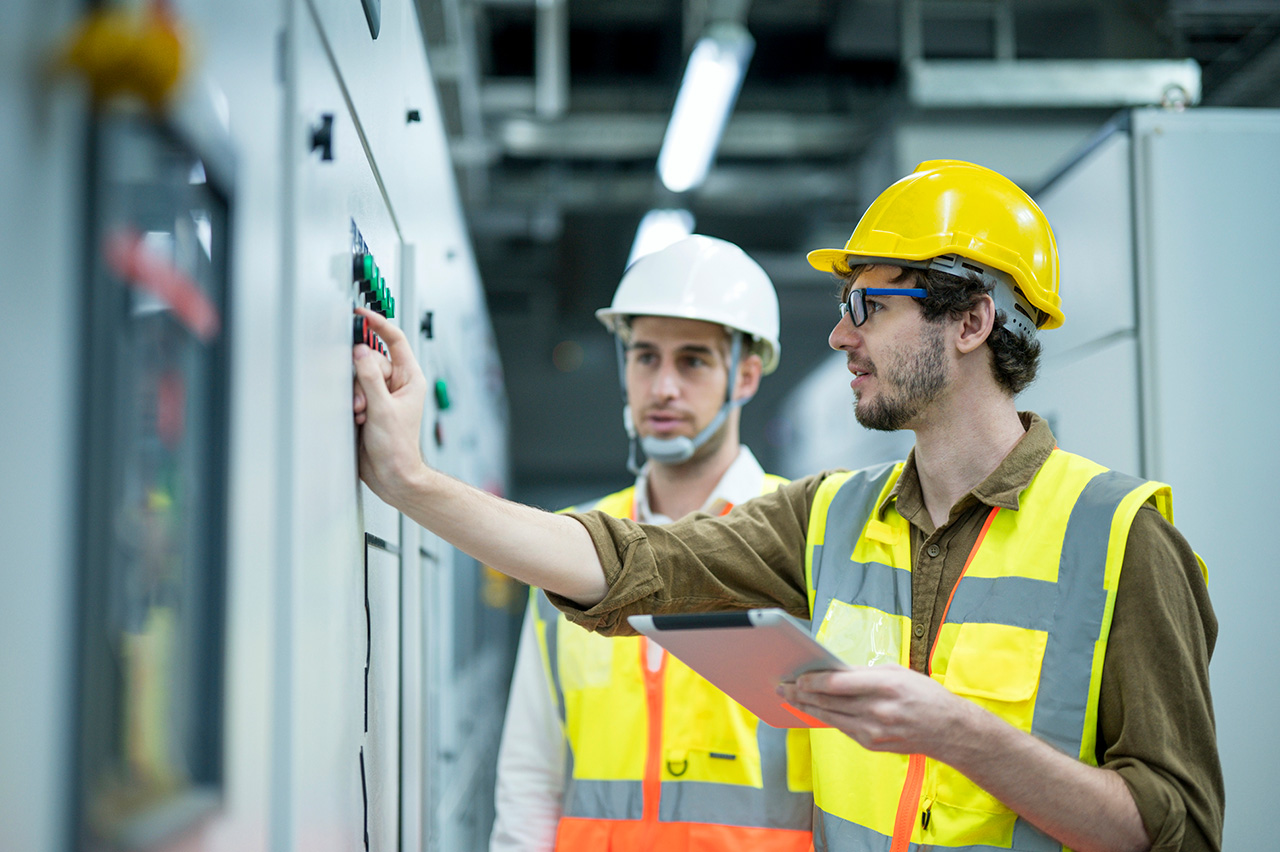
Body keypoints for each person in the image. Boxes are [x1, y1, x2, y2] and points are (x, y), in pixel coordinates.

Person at [353, 160, 1223, 852]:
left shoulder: (1122, 538)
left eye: (867, 307)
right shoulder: (829, 517)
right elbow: (630, 564)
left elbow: (1176, 828)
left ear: (971, 323)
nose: (841, 335)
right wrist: (410, 481)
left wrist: (966, 736)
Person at [489, 235, 814, 852]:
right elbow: (532, 777)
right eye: (644, 358)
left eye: (692, 361)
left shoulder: (803, 536)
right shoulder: (571, 542)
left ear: (745, 375)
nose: (663, 388)